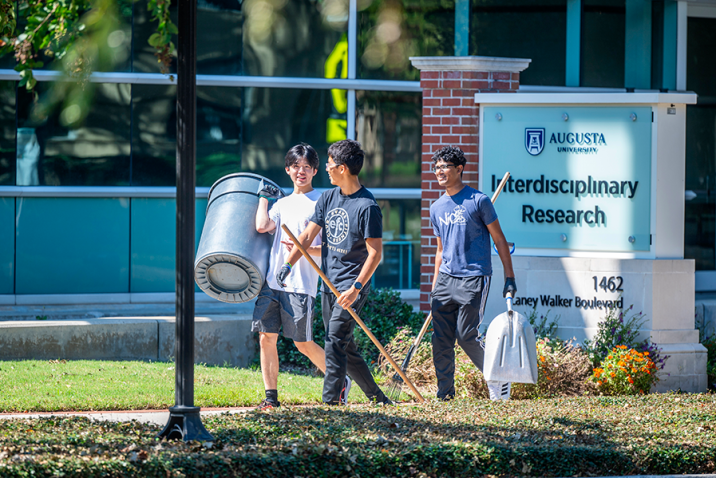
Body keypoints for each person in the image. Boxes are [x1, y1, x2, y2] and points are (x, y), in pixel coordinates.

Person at [276, 139, 392, 406]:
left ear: (342, 168)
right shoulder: (328, 198)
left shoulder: (368, 206)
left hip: (351, 287)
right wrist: (288, 265)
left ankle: (330, 405)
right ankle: (378, 398)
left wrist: (356, 289)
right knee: (345, 346)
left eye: (329, 163)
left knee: (334, 343)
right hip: (328, 285)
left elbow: (375, 253)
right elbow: (306, 237)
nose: (325, 168)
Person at [252, 143, 350, 410]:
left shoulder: (323, 201)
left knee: (303, 342)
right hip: (272, 282)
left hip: (301, 284)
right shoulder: (282, 203)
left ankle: (339, 381)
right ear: (288, 169)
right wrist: (264, 198)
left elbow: (334, 246)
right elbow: (263, 226)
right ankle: (270, 397)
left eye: (307, 167)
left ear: (316, 170)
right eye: (296, 166)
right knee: (266, 337)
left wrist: (304, 249)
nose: (301, 171)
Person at [428, 145, 517, 401]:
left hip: (474, 276)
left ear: (459, 169)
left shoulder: (479, 201)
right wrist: (435, 286)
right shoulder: (436, 208)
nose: (439, 172)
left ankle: (497, 377)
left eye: (445, 167)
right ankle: (445, 394)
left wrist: (509, 277)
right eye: (436, 168)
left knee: (467, 335)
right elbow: (440, 250)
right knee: (441, 340)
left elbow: (499, 240)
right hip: (446, 279)